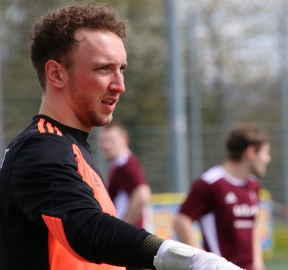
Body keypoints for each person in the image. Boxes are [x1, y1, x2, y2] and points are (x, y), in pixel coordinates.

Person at [0, 3, 244, 270]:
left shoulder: (69, 147)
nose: (120, 86)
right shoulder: (42, 147)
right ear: (56, 74)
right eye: (104, 69)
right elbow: (87, 230)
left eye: (121, 69)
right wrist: (188, 258)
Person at [173, 123, 271, 270]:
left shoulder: (253, 185)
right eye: (265, 153)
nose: (267, 159)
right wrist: (203, 262)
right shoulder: (211, 183)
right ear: (251, 152)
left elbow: (253, 226)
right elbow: (181, 221)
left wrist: (258, 263)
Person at [99, 121, 151, 228]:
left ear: (125, 140)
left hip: (129, 237)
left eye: (111, 141)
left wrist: (125, 227)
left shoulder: (125, 163)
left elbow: (143, 194)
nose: (106, 145)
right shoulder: (118, 165)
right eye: (103, 141)